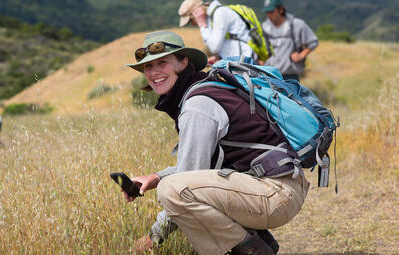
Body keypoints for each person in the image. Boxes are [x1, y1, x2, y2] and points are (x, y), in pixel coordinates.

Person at [124, 30, 310, 254]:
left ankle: (250, 250)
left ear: (184, 62)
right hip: (280, 187)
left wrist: (154, 236)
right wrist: (154, 178)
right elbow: (202, 168)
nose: (154, 72)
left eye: (162, 62)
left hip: (276, 194)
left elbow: (185, 181)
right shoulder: (206, 88)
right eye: (148, 66)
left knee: (171, 190)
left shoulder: (197, 105)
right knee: (173, 186)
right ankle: (254, 241)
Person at [178, 0, 254, 65]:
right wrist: (219, 58)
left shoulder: (219, 13)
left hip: (244, 63)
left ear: (197, 13)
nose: (192, 24)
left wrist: (202, 25)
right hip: (238, 62)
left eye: (190, 20)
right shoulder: (212, 17)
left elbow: (214, 48)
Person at [261, 0, 318, 81]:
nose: (269, 15)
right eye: (267, 12)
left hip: (290, 76)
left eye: (271, 11)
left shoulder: (297, 24)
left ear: (281, 10)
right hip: (269, 76)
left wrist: (301, 55)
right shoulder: (264, 27)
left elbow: (313, 42)